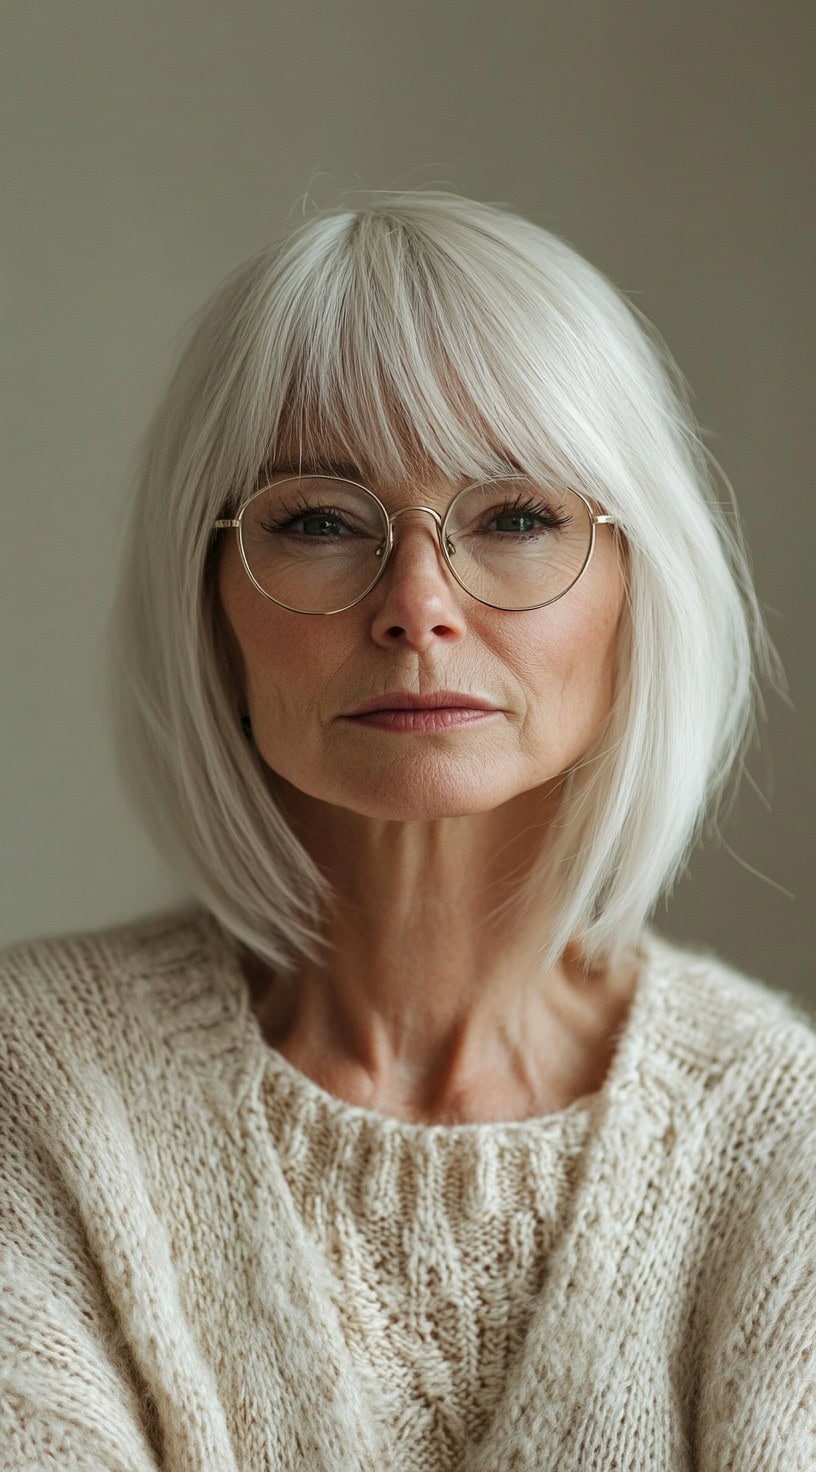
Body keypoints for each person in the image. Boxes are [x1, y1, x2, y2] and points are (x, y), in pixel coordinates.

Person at [1, 192, 814, 1471]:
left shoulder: (780, 1135)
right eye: (320, 521)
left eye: (516, 516)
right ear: (207, 597)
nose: (418, 603)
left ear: (638, 583)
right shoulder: (38, 1081)